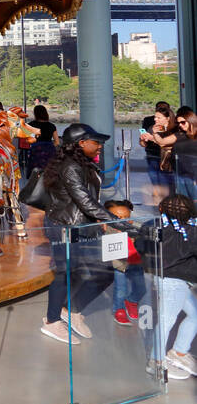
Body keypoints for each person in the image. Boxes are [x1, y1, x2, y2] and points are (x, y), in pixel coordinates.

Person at [39, 123, 142, 344]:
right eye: (96, 142)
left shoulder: (81, 164)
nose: (100, 146)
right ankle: (51, 321)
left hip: (81, 226)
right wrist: (122, 224)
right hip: (65, 227)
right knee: (66, 273)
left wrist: (101, 219)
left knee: (101, 271)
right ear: (80, 143)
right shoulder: (70, 167)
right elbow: (86, 202)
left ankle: (72, 310)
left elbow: (89, 201)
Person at [152, 194, 197, 379]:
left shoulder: (158, 226)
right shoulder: (190, 231)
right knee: (166, 321)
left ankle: (178, 352)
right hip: (174, 282)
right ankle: (156, 362)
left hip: (167, 279)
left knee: (194, 314)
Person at [104, 199, 147, 326]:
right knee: (120, 289)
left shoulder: (133, 225)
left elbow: (144, 231)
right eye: (117, 217)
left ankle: (131, 301)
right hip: (119, 264)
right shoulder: (108, 228)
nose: (122, 220)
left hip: (135, 262)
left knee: (141, 288)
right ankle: (119, 310)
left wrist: (136, 234)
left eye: (126, 217)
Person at [139, 102, 179, 197]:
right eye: (155, 117)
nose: (155, 119)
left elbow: (165, 143)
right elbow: (143, 144)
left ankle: (169, 203)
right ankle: (160, 202)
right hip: (152, 155)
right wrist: (143, 139)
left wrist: (153, 137)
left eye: (158, 117)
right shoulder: (151, 127)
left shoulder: (175, 129)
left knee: (167, 184)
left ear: (168, 117)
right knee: (155, 179)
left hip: (168, 161)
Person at [172, 107, 197, 199]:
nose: (180, 125)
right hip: (180, 171)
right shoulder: (180, 135)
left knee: (194, 199)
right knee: (184, 199)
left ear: (191, 120)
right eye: (178, 123)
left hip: (192, 174)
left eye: (183, 122)